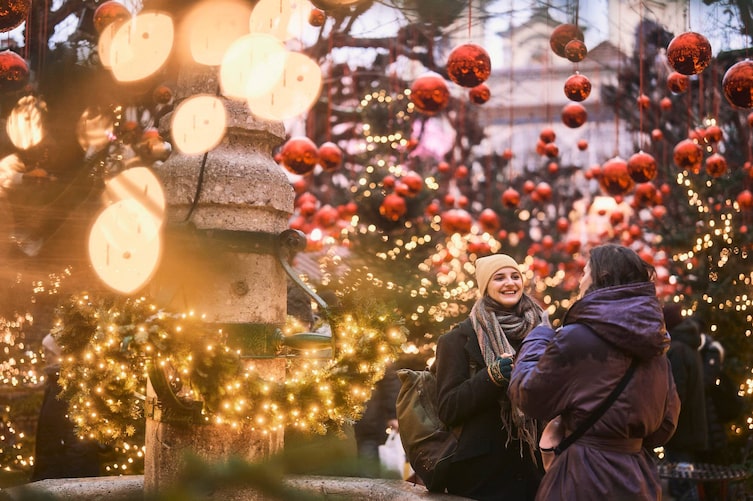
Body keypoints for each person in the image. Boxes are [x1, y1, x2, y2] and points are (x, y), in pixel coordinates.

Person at [508, 243, 680, 501]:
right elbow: (665, 426)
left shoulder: (576, 338)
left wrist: (538, 337)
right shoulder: (657, 346)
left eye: (585, 272)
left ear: (602, 277)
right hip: (638, 482)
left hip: (582, 478)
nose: (580, 281)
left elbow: (530, 397)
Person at [434, 253, 547, 501]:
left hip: (536, 469)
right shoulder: (456, 340)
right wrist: (492, 376)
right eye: (499, 278)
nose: (510, 283)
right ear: (485, 286)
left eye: (515, 276)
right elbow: (447, 408)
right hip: (482, 476)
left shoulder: (542, 332)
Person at [30, 333, 102, 481]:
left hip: (63, 472)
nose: (45, 356)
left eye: (49, 352)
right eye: (44, 351)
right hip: (51, 468)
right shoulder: (54, 382)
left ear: (60, 354)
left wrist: (70, 481)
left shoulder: (70, 386)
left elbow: (78, 439)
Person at [662, 304, 708, 500]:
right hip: (690, 425)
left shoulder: (678, 349)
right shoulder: (688, 344)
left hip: (682, 429)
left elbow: (677, 391)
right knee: (685, 482)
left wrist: (665, 417)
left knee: (682, 484)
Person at [353, 364, 402, 478]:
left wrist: (393, 415)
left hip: (369, 423)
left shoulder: (375, 355)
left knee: (369, 463)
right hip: (365, 421)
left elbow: (389, 381)